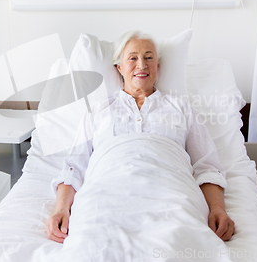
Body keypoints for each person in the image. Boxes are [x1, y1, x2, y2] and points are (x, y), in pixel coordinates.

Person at [45, 30, 235, 244]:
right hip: (106, 194)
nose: (142, 65)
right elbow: (74, 167)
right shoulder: (98, 111)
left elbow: (207, 166)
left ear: (157, 67)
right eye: (133, 58)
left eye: (149, 57)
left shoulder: (182, 109)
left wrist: (217, 208)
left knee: (178, 243)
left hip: (171, 193)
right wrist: (61, 209)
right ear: (119, 68)